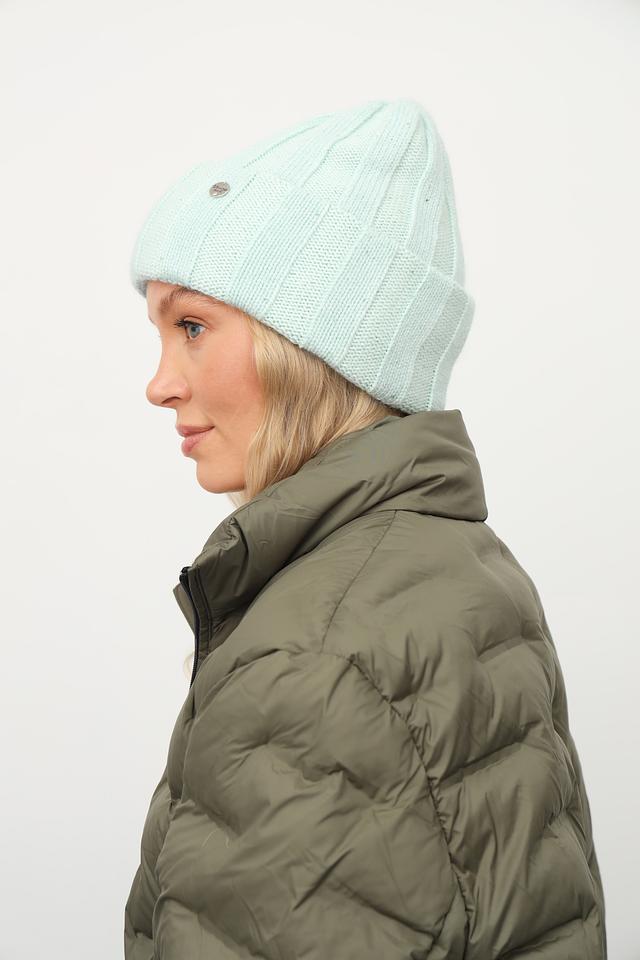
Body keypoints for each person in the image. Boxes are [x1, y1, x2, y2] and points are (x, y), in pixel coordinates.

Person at [123, 98, 607, 959]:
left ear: (313, 346)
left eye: (192, 326)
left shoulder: (310, 659)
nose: (160, 384)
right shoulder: (461, 561)